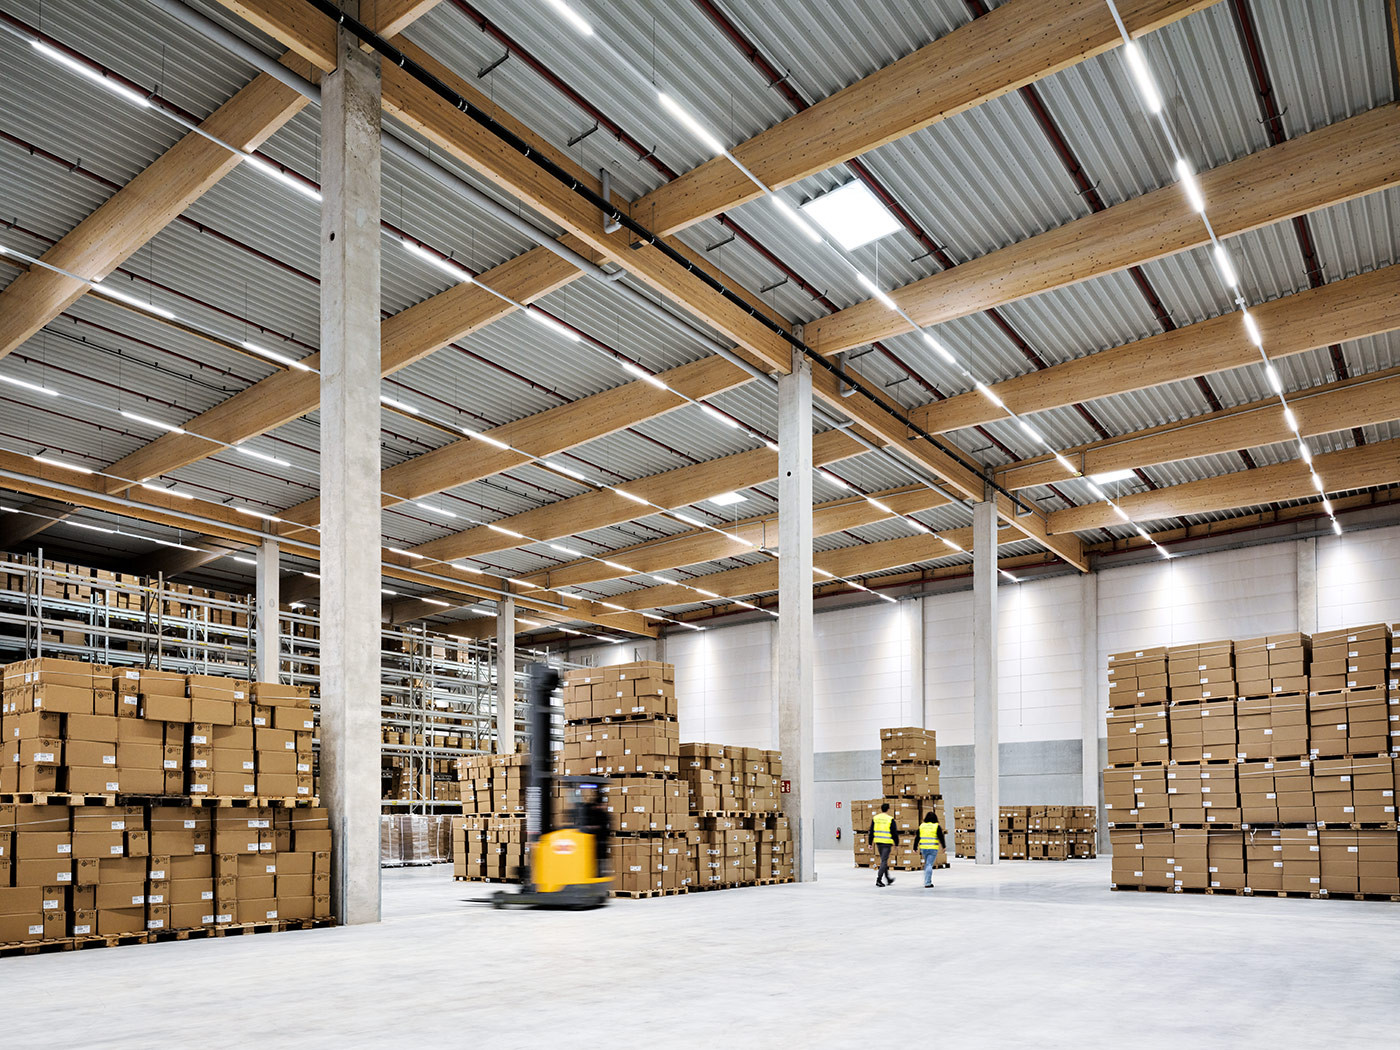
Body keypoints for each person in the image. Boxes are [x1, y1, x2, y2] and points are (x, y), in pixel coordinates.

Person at [869, 803, 900, 887]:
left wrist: (869, 842)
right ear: (888, 809)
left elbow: (871, 831)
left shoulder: (875, 818)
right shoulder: (890, 819)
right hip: (886, 843)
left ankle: (888, 878)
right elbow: (894, 832)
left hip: (878, 842)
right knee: (884, 861)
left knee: (883, 860)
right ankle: (879, 880)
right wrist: (896, 843)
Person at [917, 811, 947, 888]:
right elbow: (941, 837)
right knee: (929, 864)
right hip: (932, 848)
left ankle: (926, 880)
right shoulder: (936, 826)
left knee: (927, 864)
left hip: (923, 848)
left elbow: (917, 837)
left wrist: (914, 847)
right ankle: (927, 883)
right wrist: (943, 846)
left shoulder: (922, 826)